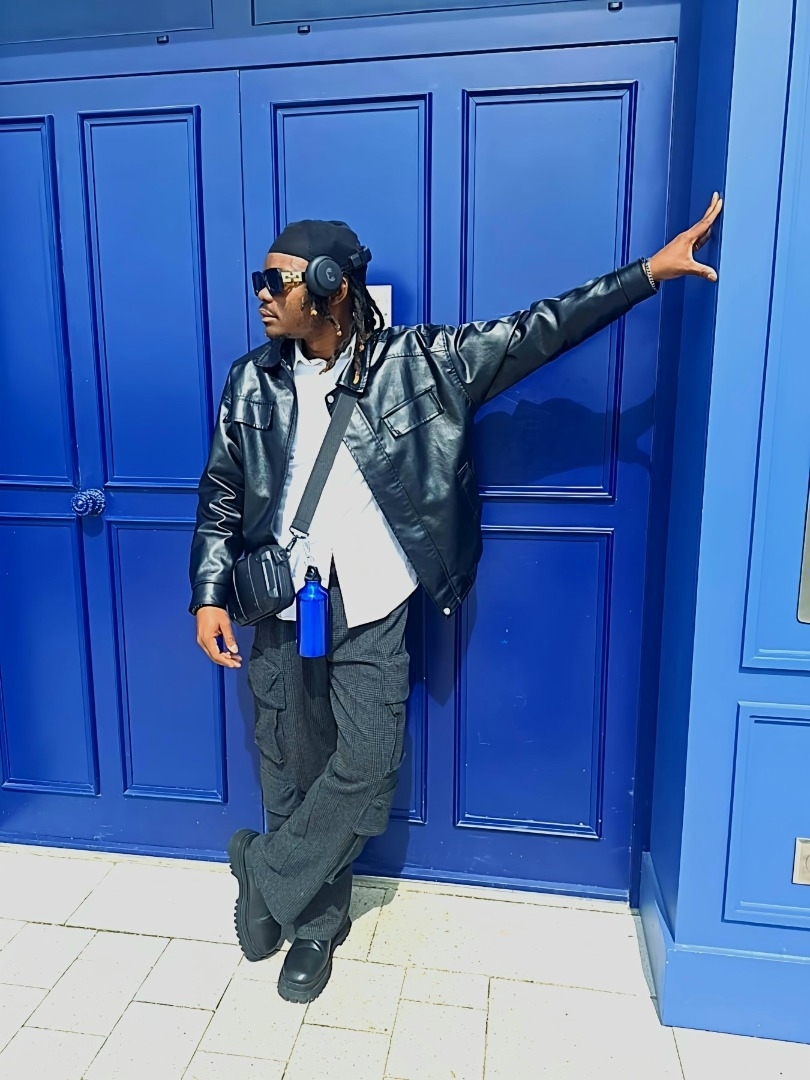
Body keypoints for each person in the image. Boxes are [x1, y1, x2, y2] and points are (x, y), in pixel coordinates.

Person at [189, 197, 723, 1004]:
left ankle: (262, 869)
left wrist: (648, 273)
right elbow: (222, 495)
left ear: (331, 286)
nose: (262, 295)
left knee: (366, 764)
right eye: (259, 282)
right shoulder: (249, 381)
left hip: (373, 602)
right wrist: (207, 595)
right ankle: (316, 920)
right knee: (292, 765)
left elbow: (539, 330)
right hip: (280, 604)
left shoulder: (422, 364)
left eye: (277, 281)